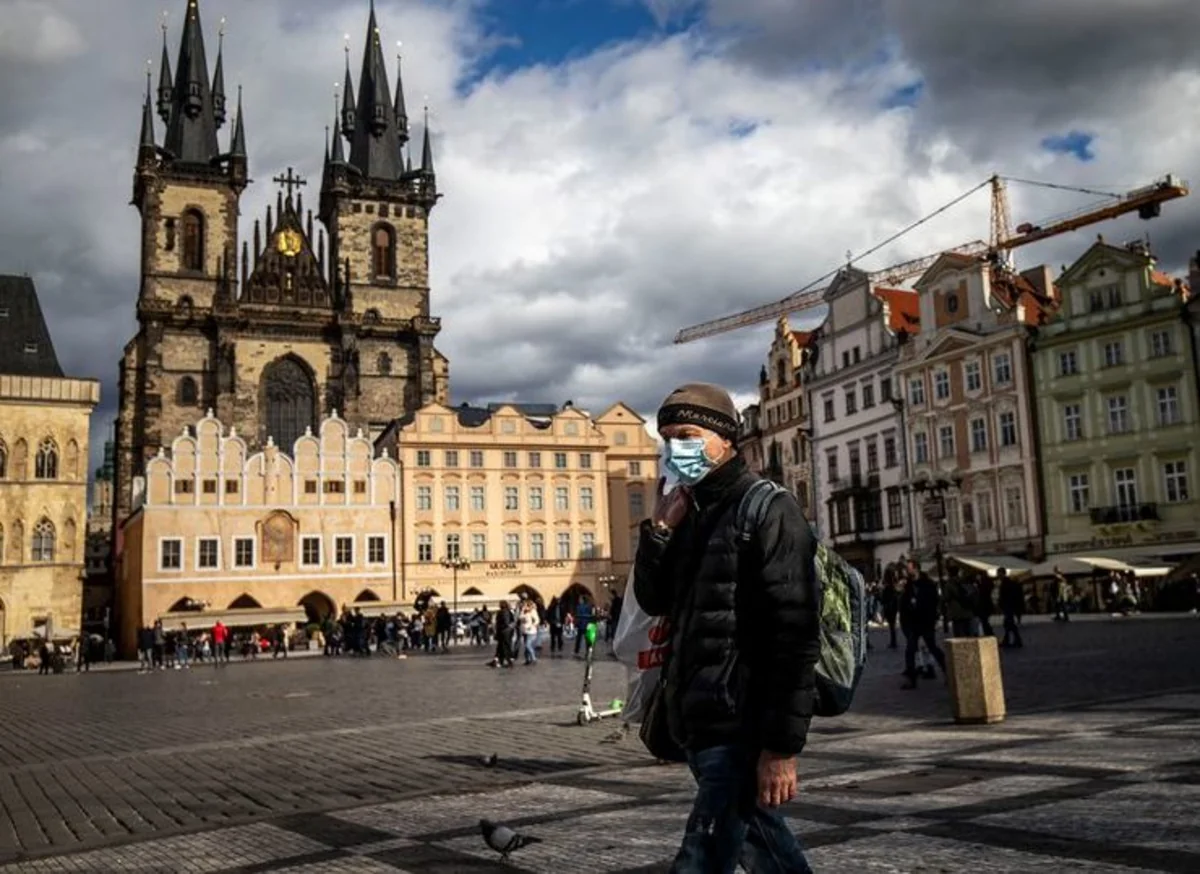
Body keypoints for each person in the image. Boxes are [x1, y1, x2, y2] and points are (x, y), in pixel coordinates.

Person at [633, 382, 818, 874]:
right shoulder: (687, 511)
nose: (676, 449)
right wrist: (659, 533)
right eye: (667, 437)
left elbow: (795, 634)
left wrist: (781, 747)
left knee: (702, 856)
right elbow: (654, 600)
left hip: (741, 721)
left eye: (688, 435)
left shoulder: (768, 508)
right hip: (697, 719)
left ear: (725, 438)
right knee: (765, 848)